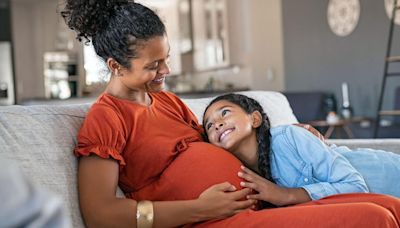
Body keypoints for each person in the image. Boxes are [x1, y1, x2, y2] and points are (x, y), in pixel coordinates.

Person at [62, 0, 400, 227]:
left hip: (260, 204)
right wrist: (200, 208)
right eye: (153, 65)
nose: (166, 69)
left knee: (390, 206)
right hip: (215, 221)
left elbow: (224, 139)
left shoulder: (165, 101)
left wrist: (284, 131)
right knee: (374, 218)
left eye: (165, 57)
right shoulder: (107, 118)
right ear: (115, 66)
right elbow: (100, 214)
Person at [202, 93, 400, 206]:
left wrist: (287, 195)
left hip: (388, 177)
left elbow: (355, 185)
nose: (217, 124)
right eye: (209, 125)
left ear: (255, 119)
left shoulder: (289, 138)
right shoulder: (243, 175)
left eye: (225, 113)